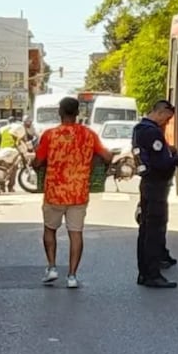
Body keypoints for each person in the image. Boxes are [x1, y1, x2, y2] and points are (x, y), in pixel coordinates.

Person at [31, 97, 112, 289]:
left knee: (49, 230)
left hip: (54, 192)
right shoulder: (88, 135)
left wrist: (34, 164)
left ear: (60, 112)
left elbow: (38, 161)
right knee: (76, 234)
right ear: (78, 113)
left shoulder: (50, 135)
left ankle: (51, 267)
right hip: (79, 192)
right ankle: (72, 276)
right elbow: (107, 156)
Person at [133, 100, 178, 288]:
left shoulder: (139, 129)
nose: (167, 123)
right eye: (168, 119)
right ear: (161, 113)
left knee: (145, 229)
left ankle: (144, 272)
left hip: (147, 183)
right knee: (154, 231)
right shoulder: (152, 132)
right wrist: (176, 160)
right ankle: (152, 274)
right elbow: (160, 163)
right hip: (156, 185)